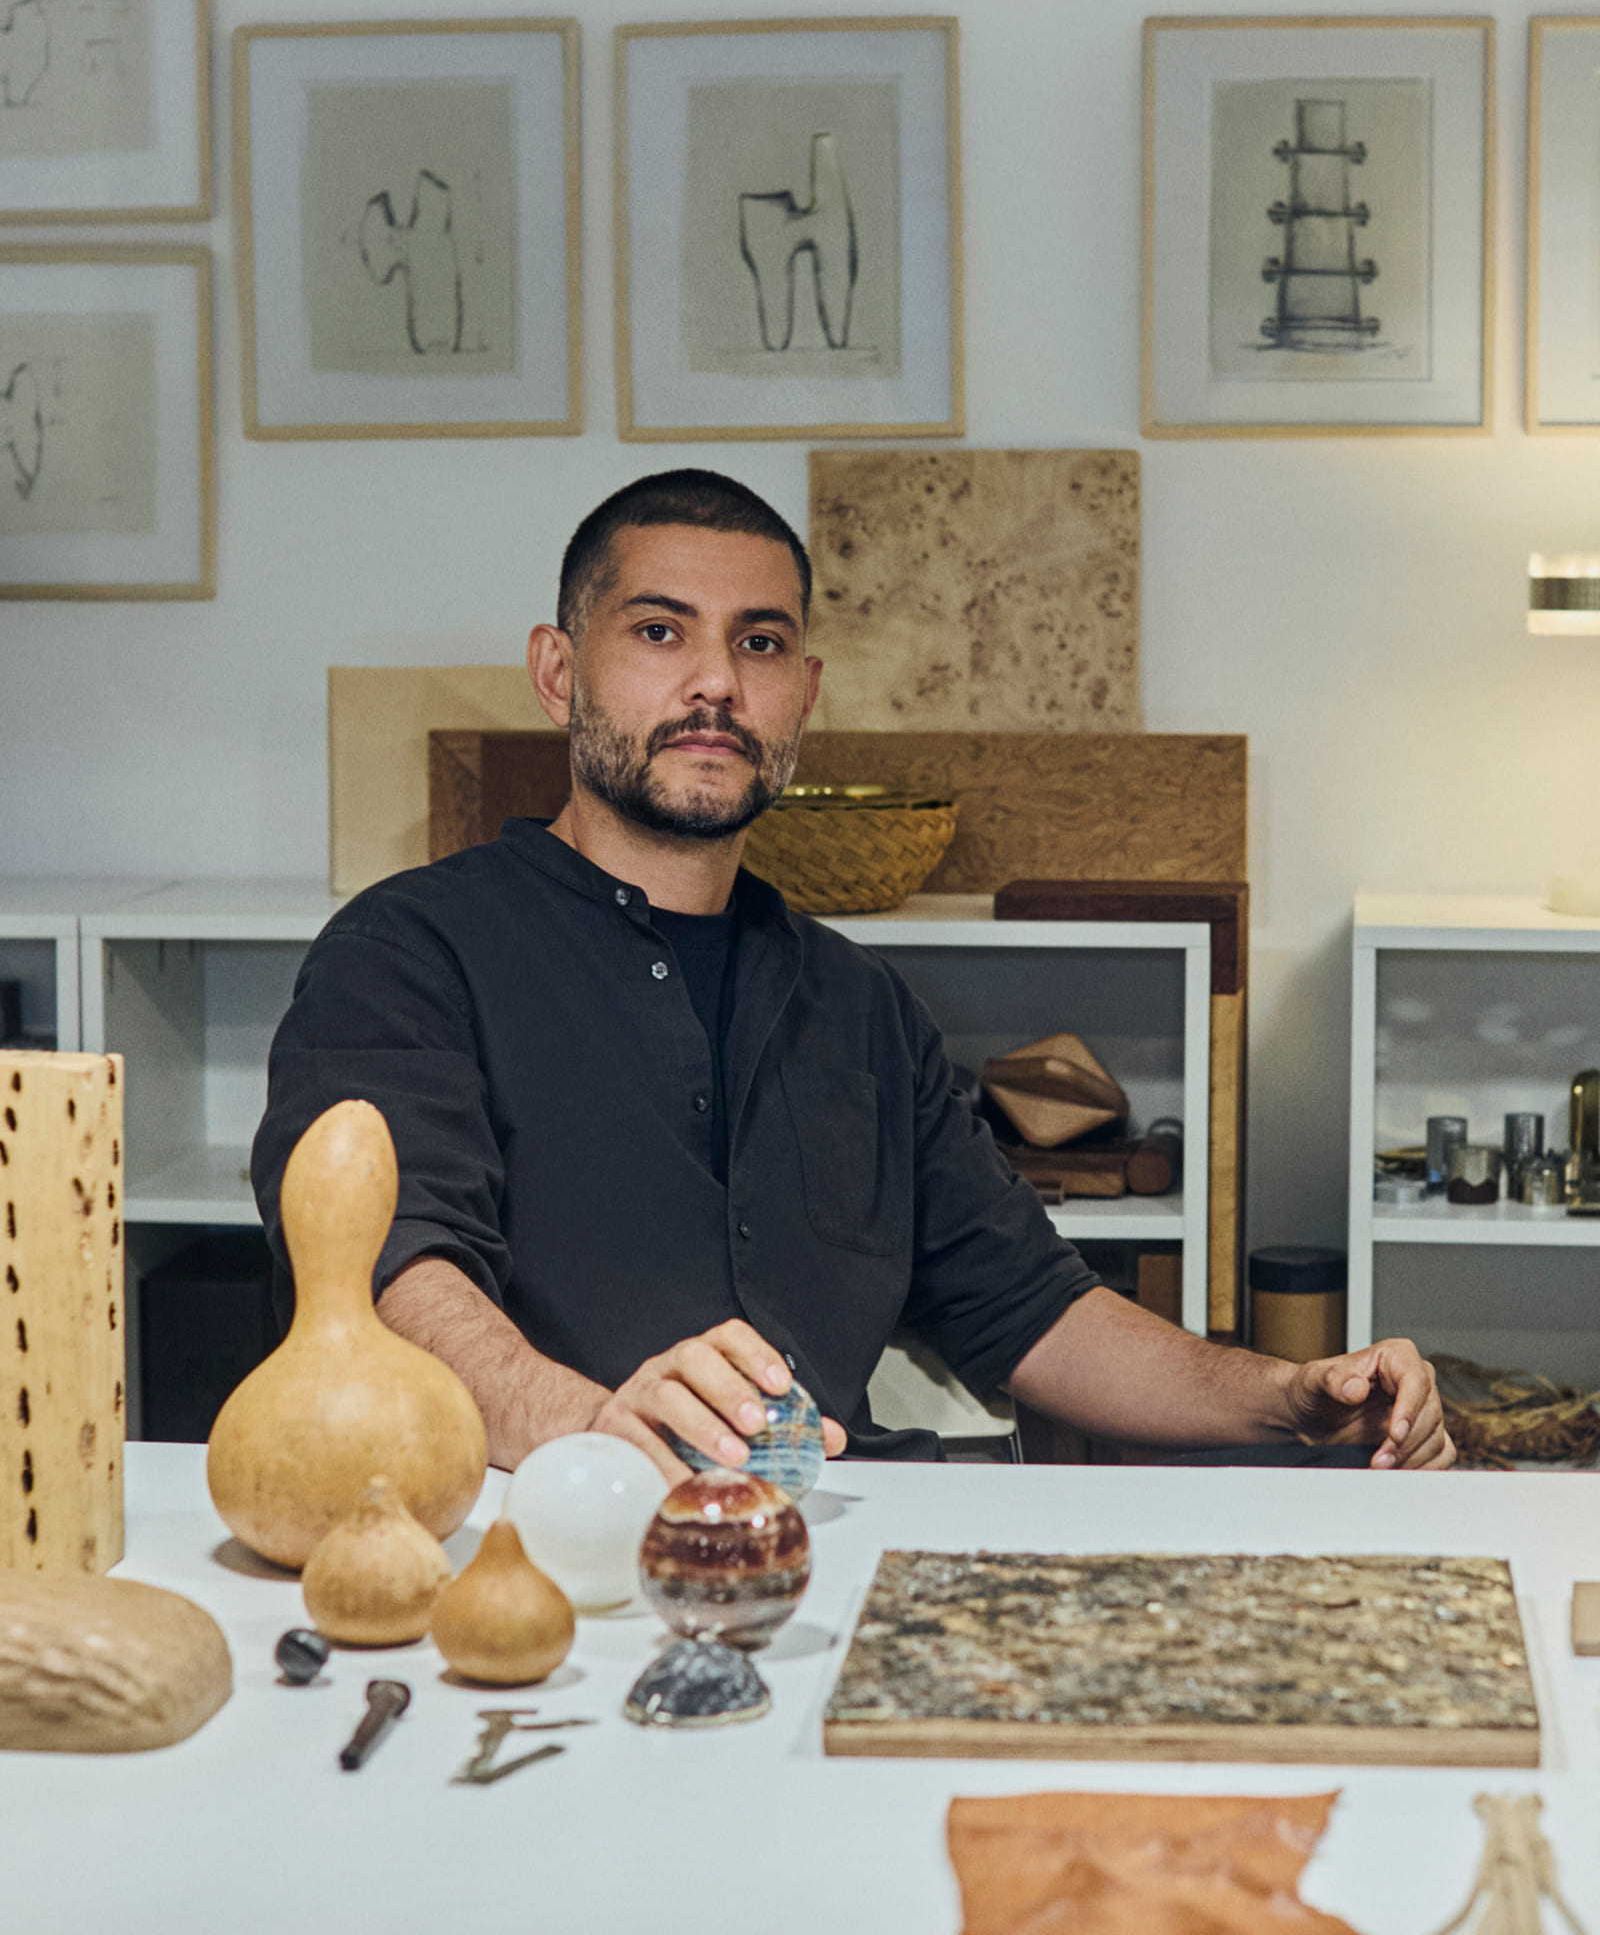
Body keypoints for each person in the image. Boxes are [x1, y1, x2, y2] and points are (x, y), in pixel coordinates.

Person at [252, 469, 1454, 1480]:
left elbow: (1031, 1310)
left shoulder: (859, 1006)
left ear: (804, 697)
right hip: (526, 1550)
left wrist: (1287, 1392)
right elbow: (390, 1267)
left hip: (828, 1543)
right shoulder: (405, 954)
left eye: (759, 643)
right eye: (660, 632)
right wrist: (592, 1436)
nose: (715, 682)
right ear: (560, 672)